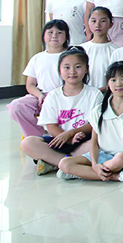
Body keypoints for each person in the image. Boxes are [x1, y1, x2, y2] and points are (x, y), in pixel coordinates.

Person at [57, 61, 123, 182]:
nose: (118, 84)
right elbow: (94, 143)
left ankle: (83, 173)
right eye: (113, 80)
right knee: (65, 163)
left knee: (120, 158)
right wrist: (95, 164)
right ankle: (118, 176)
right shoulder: (98, 110)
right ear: (108, 82)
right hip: (104, 155)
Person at [20, 47, 102, 175]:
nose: (72, 72)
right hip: (60, 140)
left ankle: (54, 163)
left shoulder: (95, 94)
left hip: (83, 141)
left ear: (86, 69)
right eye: (67, 67)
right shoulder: (53, 96)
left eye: (78, 67)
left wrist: (71, 133)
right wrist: (67, 138)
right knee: (27, 143)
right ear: (59, 70)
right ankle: (67, 163)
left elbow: (94, 124)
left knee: (98, 144)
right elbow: (51, 125)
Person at [8, 20, 70, 137]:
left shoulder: (71, 56)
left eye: (59, 32)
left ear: (66, 36)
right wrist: (40, 96)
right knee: (16, 107)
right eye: (50, 32)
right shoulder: (37, 58)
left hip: (64, 96)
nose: (54, 36)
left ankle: (53, 135)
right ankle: (38, 136)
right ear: (43, 36)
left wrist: (52, 97)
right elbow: (30, 84)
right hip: (40, 96)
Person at [80, 7, 119, 90]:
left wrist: (100, 91)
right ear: (88, 23)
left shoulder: (116, 51)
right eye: (94, 21)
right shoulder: (81, 49)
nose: (97, 25)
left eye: (103, 21)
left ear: (111, 24)